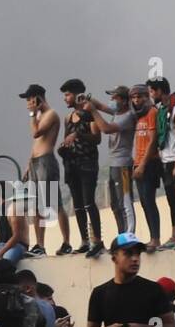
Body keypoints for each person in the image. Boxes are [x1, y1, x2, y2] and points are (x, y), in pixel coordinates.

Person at [19, 84, 69, 256]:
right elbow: (35, 144)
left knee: (55, 203)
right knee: (35, 206)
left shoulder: (51, 114)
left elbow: (37, 134)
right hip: (35, 162)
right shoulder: (40, 116)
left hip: (46, 162)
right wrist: (28, 164)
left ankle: (66, 242)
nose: (27, 104)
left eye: (29, 100)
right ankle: (40, 245)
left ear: (37, 98)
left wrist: (33, 114)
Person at [57, 79, 103, 258]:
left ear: (77, 95)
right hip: (72, 165)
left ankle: (97, 240)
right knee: (77, 205)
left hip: (88, 162)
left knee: (89, 202)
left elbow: (96, 138)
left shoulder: (89, 113)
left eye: (67, 94)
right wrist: (64, 148)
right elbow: (65, 140)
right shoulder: (67, 118)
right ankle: (84, 241)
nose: (65, 98)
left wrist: (78, 134)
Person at [147, 78, 175, 249]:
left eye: (152, 91)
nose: (151, 95)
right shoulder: (162, 111)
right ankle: (174, 236)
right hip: (166, 160)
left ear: (160, 91)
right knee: (172, 199)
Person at [87, 87, 137, 236]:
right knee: (115, 204)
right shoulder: (117, 112)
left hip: (123, 164)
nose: (112, 101)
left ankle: (130, 234)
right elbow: (101, 106)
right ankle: (122, 234)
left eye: (115, 98)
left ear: (124, 100)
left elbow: (106, 128)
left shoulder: (128, 116)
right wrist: (87, 99)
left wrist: (92, 111)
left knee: (125, 202)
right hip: (114, 164)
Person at [129, 83, 162, 251]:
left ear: (146, 96)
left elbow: (152, 140)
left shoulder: (151, 112)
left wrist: (142, 165)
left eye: (139, 96)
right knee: (143, 202)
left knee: (149, 200)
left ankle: (156, 238)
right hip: (138, 162)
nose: (136, 100)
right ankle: (151, 237)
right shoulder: (136, 115)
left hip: (149, 163)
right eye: (133, 97)